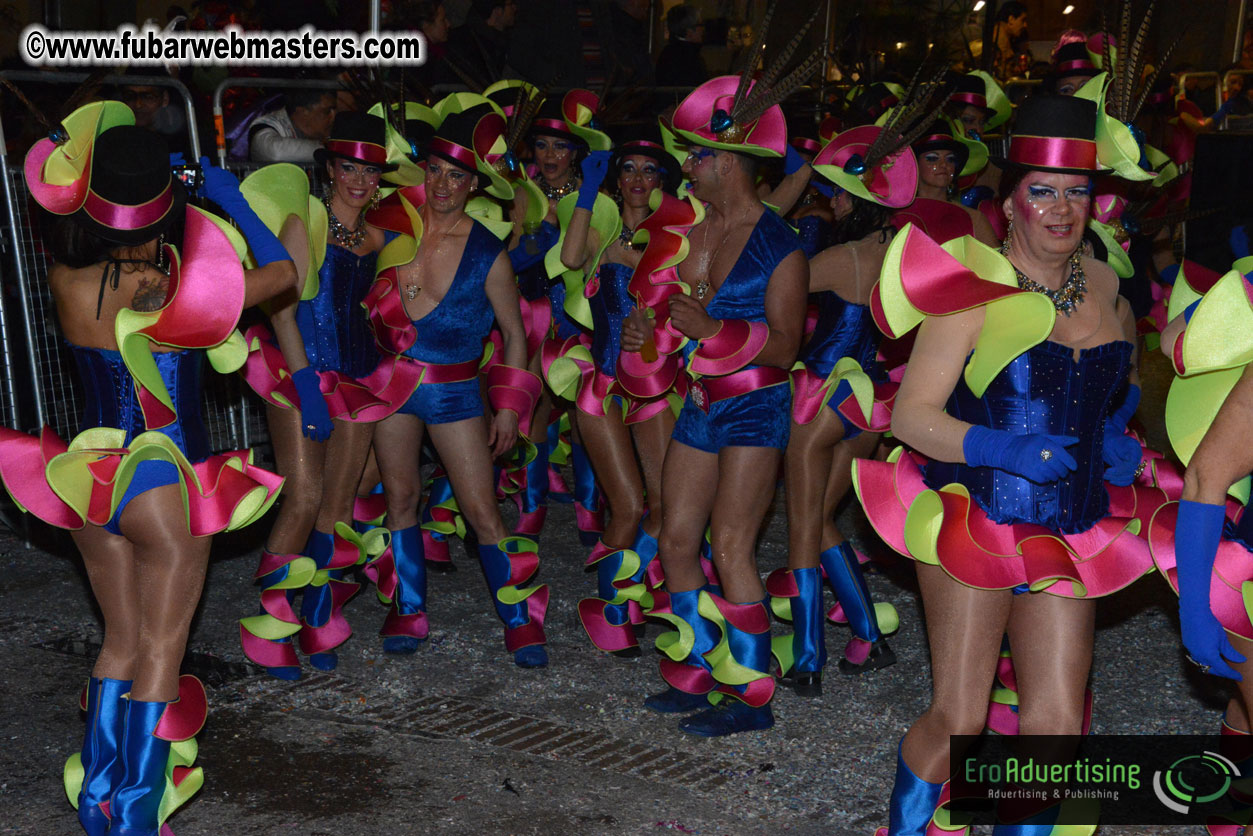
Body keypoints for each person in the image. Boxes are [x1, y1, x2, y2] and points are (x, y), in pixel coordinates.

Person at [854, 95, 1155, 833]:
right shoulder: (972, 292)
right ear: (1010, 202)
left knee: (1055, 725)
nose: (1061, 209)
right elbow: (911, 415)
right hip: (977, 517)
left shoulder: (1105, 284)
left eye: (1076, 192)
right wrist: (1001, 447)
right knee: (959, 716)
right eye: (1042, 191)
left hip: (1070, 526)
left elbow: (1118, 385)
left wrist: (1116, 434)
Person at [0, 101, 296, 836]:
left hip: (90, 478)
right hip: (166, 481)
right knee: (163, 646)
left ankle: (100, 796)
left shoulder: (66, 279)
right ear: (160, 208)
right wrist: (226, 202)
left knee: (120, 642)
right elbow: (285, 271)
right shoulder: (170, 291)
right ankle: (135, 811)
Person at [622, 72, 808, 737]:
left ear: (729, 161)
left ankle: (752, 696)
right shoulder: (688, 229)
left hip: (756, 406)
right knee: (675, 538)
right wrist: (646, 331)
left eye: (696, 156)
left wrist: (713, 329)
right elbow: (665, 315)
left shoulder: (779, 244)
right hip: (700, 400)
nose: (687, 168)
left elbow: (785, 345)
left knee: (730, 545)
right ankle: (700, 670)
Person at [364, 103, 549, 668]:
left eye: (457, 176)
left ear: (475, 185)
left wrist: (509, 409)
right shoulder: (394, 226)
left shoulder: (488, 253)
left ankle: (518, 618)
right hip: (392, 386)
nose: (443, 184)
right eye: (436, 171)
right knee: (400, 499)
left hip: (455, 393)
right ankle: (409, 609)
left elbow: (516, 333)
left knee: (481, 510)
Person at [238, 112, 399, 679]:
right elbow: (283, 309)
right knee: (304, 496)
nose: (359, 180)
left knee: (339, 503)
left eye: (370, 171)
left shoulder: (380, 236)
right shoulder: (303, 222)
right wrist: (306, 386)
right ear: (329, 170)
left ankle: (318, 617)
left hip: (358, 379)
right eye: (348, 167)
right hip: (296, 372)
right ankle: (270, 628)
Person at [772, 122, 924, 697]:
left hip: (821, 395)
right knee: (821, 520)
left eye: (838, 193)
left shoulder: (843, 257)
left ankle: (807, 657)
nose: (832, 201)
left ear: (861, 200)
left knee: (801, 524)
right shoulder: (907, 258)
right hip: (871, 403)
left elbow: (770, 288)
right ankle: (868, 635)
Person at [549, 128, 684, 656]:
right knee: (626, 505)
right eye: (628, 169)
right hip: (601, 384)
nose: (638, 180)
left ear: (663, 181)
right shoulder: (600, 235)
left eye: (650, 171)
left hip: (654, 385)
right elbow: (569, 256)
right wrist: (587, 188)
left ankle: (634, 591)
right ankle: (610, 614)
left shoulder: (676, 240)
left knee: (667, 505)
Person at [249, 88, 336, 164]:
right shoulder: (267, 125)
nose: (333, 117)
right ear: (303, 111)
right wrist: (329, 149)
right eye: (327, 111)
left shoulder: (332, 131)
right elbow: (274, 153)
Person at [654, 4, 707, 89]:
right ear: (689, 31)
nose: (703, 29)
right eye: (701, 25)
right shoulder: (687, 57)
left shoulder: (670, 52)